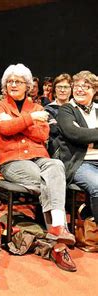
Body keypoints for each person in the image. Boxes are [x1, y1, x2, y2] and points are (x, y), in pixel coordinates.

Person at [0, 63, 76, 250]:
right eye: (10, 81)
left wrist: (16, 124)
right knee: (49, 182)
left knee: (56, 166)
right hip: (12, 160)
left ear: (27, 86)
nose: (13, 85)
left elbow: (42, 135)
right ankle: (58, 231)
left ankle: (56, 229)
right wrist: (31, 119)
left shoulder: (36, 106)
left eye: (18, 82)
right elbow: (4, 128)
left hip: (39, 156)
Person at [56, 70, 98, 223]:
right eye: (77, 86)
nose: (80, 89)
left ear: (94, 90)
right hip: (80, 163)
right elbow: (74, 134)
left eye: (86, 86)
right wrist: (84, 136)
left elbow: (83, 135)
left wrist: (88, 136)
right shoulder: (66, 109)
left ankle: (88, 212)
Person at [44, 73, 72, 156]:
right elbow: (54, 130)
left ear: (71, 89)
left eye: (66, 87)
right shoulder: (47, 109)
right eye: (59, 87)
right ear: (55, 89)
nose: (62, 90)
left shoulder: (77, 108)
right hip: (56, 150)